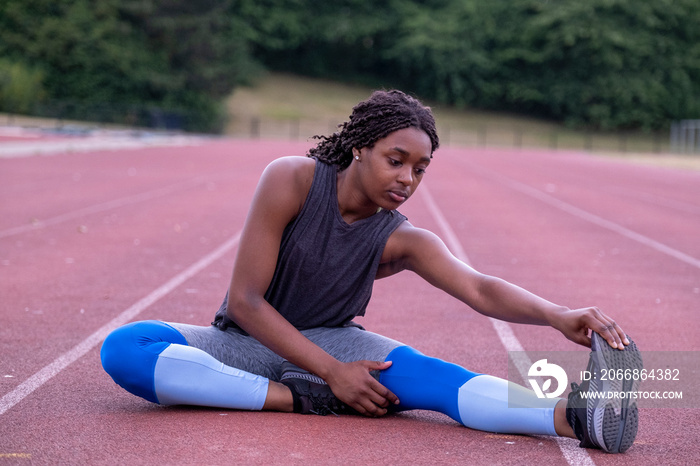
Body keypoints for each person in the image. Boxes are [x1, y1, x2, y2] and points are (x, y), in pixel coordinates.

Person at [100, 90, 642, 453]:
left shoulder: (402, 238)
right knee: (126, 349)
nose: (407, 178)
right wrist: (330, 380)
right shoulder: (292, 180)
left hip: (337, 344)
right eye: (396, 159)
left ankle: (575, 418)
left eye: (420, 169)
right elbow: (245, 302)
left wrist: (557, 315)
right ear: (360, 147)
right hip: (246, 343)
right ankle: (300, 397)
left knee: (434, 380)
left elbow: (478, 288)